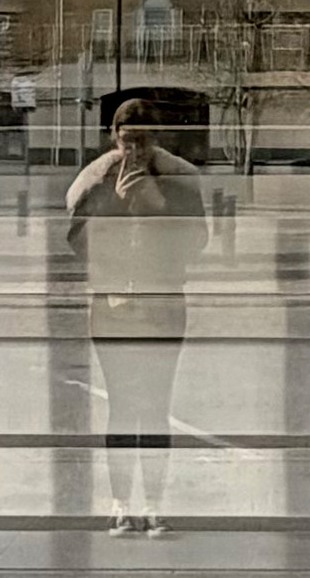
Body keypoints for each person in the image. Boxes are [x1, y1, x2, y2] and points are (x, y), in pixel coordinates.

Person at [63, 94, 208, 536]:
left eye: (144, 142)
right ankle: (123, 502)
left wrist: (156, 205)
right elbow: (77, 243)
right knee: (123, 407)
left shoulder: (179, 180)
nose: (135, 152)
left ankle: (156, 503)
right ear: (114, 139)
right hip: (113, 306)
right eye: (128, 141)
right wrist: (116, 206)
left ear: (157, 140)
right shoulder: (97, 180)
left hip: (163, 303)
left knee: (156, 405)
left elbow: (196, 241)